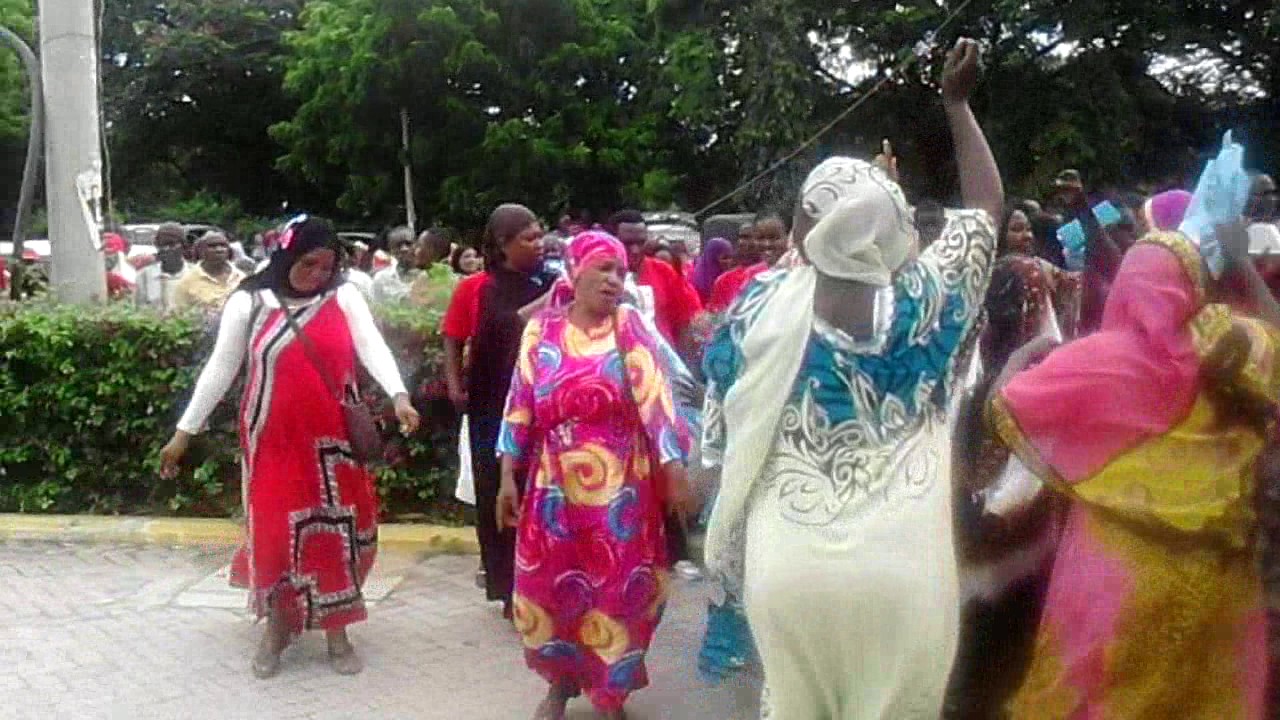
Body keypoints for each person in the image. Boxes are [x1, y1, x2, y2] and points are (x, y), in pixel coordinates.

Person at [700, 38, 1002, 718]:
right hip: (900, 575)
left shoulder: (754, 310)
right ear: (891, 226)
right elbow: (985, 211)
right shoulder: (926, 302)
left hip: (790, 569)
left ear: (807, 226)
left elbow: (718, 440)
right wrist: (957, 106)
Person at [988, 220, 1280, 719]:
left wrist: (1012, 364)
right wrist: (1242, 264)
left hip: (1114, 574)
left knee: (1097, 691)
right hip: (1218, 576)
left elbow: (1005, 410)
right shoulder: (1231, 346)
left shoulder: (1100, 361)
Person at [158, 216, 420, 679]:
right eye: (308, 264)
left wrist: (398, 395)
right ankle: (278, 627)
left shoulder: (344, 296)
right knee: (276, 534)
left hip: (335, 441)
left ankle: (338, 627)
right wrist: (184, 432)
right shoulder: (251, 301)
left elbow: (372, 346)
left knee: (338, 532)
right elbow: (221, 368)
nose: (318, 275)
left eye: (327, 265)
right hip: (271, 439)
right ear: (285, 255)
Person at [494, 231, 694, 720]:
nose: (612, 280)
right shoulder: (541, 330)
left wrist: (674, 468)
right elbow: (520, 403)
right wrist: (506, 476)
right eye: (603, 268)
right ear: (575, 270)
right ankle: (560, 685)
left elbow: (656, 398)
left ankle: (611, 693)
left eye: (621, 272)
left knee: (620, 589)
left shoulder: (628, 326)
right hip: (553, 484)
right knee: (547, 585)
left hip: (621, 488)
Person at [466, 204, 554, 618]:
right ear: (503, 246)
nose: (539, 245)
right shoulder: (491, 288)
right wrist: (551, 300)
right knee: (503, 495)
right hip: (496, 409)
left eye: (540, 236)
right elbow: (505, 329)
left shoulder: (548, 278)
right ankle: (509, 587)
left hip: (540, 406)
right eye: (528, 239)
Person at [610, 210, 702, 348]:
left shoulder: (664, 272)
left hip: (660, 362)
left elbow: (685, 322)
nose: (635, 250)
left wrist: (681, 363)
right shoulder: (597, 277)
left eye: (641, 242)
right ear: (611, 240)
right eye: (627, 243)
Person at [707, 217, 787, 313]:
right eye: (761, 238)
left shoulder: (798, 272)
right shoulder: (751, 276)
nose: (767, 244)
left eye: (774, 238)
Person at [173, 232, 245, 313]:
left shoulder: (241, 278)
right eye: (212, 246)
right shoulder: (187, 281)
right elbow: (178, 314)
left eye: (223, 245)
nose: (219, 249)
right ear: (201, 250)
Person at [135, 223, 192, 311]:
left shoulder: (195, 274)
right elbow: (139, 311)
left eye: (172, 245)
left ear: (183, 246)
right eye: (162, 245)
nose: (166, 249)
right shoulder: (144, 276)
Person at [407, 228, 459, 310]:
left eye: (419, 245)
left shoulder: (452, 283)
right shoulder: (421, 278)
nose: (414, 250)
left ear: (433, 251)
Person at [371, 226, 419, 304]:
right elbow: (377, 309)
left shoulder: (430, 275)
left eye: (408, 244)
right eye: (398, 245)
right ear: (390, 250)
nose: (404, 249)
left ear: (417, 245)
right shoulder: (381, 279)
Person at [690, 237, 734, 305]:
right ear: (712, 259)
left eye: (731, 257)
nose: (729, 261)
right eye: (725, 258)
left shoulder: (732, 278)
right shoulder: (696, 283)